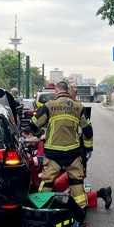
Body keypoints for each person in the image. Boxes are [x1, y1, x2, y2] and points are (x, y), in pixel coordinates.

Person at [30, 81, 93, 213]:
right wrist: (88, 149)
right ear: (68, 91)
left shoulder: (49, 105)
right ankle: (80, 211)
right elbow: (88, 131)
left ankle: (42, 209)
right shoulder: (78, 106)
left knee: (47, 182)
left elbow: (33, 125)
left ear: (56, 91)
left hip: (53, 153)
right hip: (73, 152)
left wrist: (39, 134)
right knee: (76, 182)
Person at [21, 127, 111, 209]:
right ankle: (101, 193)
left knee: (64, 198)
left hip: (73, 168)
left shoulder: (43, 143)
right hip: (67, 170)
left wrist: (28, 158)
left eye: (26, 137)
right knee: (64, 198)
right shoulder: (32, 148)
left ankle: (94, 198)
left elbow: (40, 155)